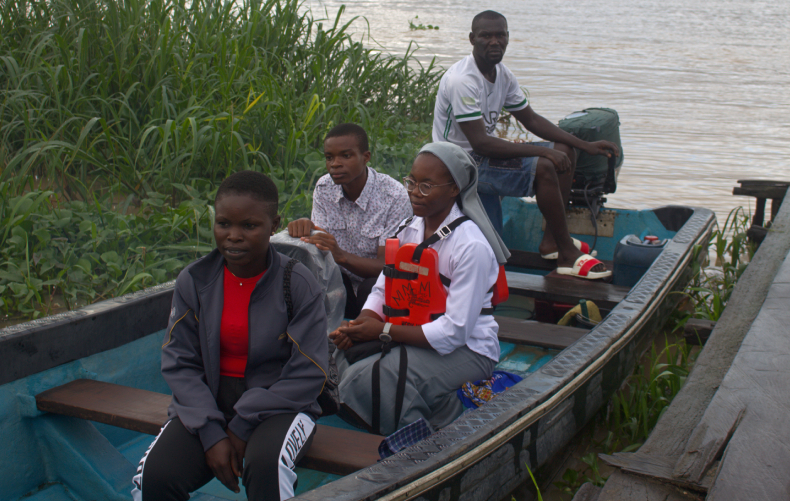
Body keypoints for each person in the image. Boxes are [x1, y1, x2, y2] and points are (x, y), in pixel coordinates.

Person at [133, 171, 329, 501]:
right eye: (224, 224)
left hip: (281, 404)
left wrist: (240, 426)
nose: (233, 236)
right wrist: (211, 433)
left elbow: (309, 371)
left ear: (273, 224)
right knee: (153, 477)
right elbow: (180, 362)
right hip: (209, 401)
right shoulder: (195, 281)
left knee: (267, 467)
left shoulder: (297, 283)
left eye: (249, 226)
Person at [331, 142, 509, 435]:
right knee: (337, 352)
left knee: (378, 377)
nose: (414, 192)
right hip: (412, 330)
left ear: (454, 189)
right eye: (411, 182)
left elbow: (455, 332)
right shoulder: (410, 228)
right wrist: (366, 319)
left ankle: (431, 426)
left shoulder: (470, 247)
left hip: (468, 349)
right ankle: (434, 401)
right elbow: (383, 286)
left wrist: (383, 332)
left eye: (426, 186)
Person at [432, 10, 620, 280]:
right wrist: (543, 151)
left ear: (508, 38)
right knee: (545, 164)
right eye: (486, 36)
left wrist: (584, 145)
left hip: (478, 157)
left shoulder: (502, 75)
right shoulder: (464, 80)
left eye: (501, 35)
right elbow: (481, 143)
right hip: (457, 164)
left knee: (564, 150)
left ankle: (553, 242)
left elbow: (530, 119)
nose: (494, 41)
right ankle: (567, 254)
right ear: (472, 39)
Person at [287, 123, 412, 319]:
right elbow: (319, 246)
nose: (335, 164)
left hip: (377, 286)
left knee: (370, 286)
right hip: (339, 280)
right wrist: (305, 229)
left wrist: (341, 255)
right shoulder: (324, 188)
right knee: (320, 279)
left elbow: (388, 267)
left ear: (366, 157)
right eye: (329, 157)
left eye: (346, 156)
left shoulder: (394, 196)